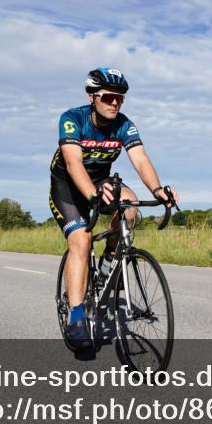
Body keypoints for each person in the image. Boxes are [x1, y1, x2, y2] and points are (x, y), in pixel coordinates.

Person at [49, 68, 179, 349]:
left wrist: (158, 190)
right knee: (81, 241)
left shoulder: (124, 124)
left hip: (101, 183)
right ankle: (77, 315)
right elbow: (74, 164)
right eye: (108, 97)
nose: (114, 103)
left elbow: (141, 160)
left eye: (120, 99)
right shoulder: (73, 119)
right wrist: (92, 194)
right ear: (92, 97)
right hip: (69, 189)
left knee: (130, 208)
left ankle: (110, 259)